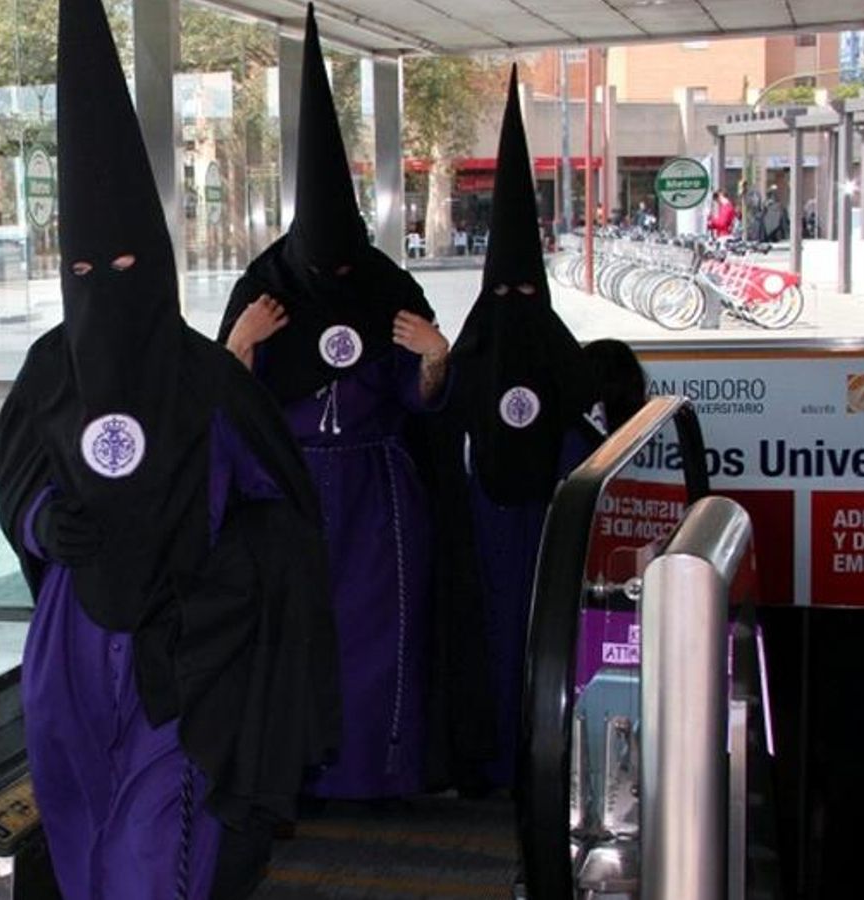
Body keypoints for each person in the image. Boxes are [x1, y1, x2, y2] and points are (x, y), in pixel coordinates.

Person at [0, 0, 340, 897]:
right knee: (76, 832)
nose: (102, 290)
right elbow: (17, 471)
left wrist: (224, 586)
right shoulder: (48, 369)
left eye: (123, 271)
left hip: (179, 664)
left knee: (156, 849)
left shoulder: (209, 381)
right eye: (81, 275)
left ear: (158, 263)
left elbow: (284, 511)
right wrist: (40, 522)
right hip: (69, 647)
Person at [219, 4, 448, 805]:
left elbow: (422, 408)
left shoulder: (386, 288)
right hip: (291, 498)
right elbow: (227, 412)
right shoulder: (263, 293)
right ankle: (294, 778)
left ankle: (381, 774)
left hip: (378, 500)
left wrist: (434, 361)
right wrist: (240, 348)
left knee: (379, 638)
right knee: (290, 639)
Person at [437, 67, 608, 794]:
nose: (512, 308)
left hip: (547, 533)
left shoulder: (563, 366)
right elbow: (437, 433)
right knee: (487, 645)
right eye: (501, 294)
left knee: (547, 646)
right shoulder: (468, 360)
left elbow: (593, 436)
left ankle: (545, 766)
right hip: (480, 534)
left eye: (525, 295)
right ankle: (484, 760)